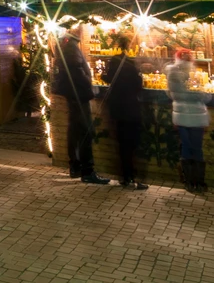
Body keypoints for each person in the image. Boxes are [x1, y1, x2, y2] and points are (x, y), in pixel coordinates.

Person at [52, 29, 109, 184]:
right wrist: (90, 88)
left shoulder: (65, 47)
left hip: (73, 94)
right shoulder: (71, 48)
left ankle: (75, 166)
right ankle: (87, 171)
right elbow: (77, 73)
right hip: (79, 94)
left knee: (75, 130)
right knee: (86, 132)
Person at [100, 35, 148, 190]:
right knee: (132, 144)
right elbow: (138, 85)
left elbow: (108, 79)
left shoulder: (114, 62)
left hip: (117, 109)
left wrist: (101, 74)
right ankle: (131, 177)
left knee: (122, 144)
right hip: (131, 108)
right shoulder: (131, 64)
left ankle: (126, 177)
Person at [166, 49, 210, 192]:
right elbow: (204, 96)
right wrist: (203, 94)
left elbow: (172, 94)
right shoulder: (195, 73)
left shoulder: (171, 72)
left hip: (181, 115)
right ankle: (200, 182)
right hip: (197, 115)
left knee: (185, 147)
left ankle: (189, 182)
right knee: (197, 148)